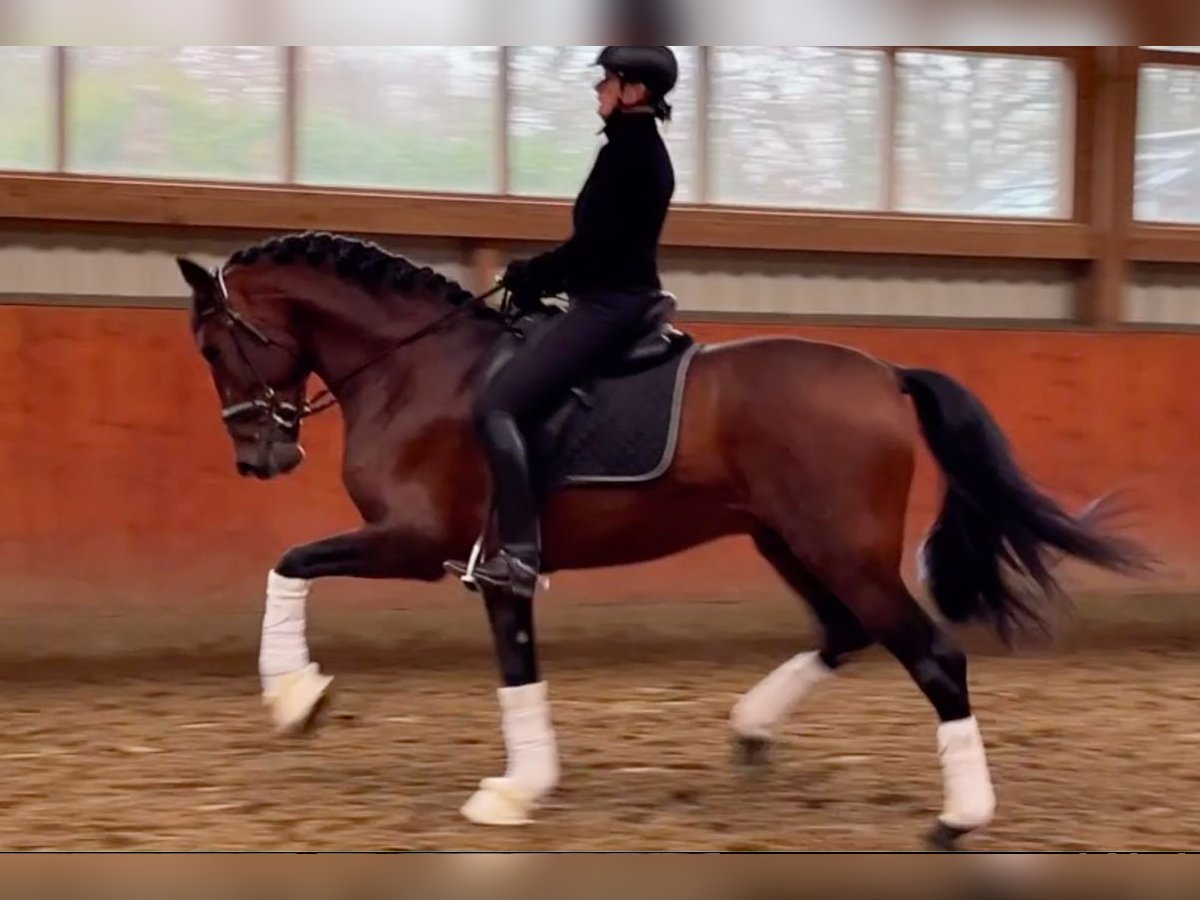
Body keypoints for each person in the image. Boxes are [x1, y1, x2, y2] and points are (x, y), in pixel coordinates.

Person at [445, 45, 679, 599]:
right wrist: (543, 275)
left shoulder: (632, 154)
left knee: (498, 404)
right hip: (606, 295)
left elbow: (598, 248)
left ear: (634, 91)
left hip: (610, 304)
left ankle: (521, 556)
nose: (598, 89)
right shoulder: (629, 147)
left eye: (608, 80)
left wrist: (536, 274)